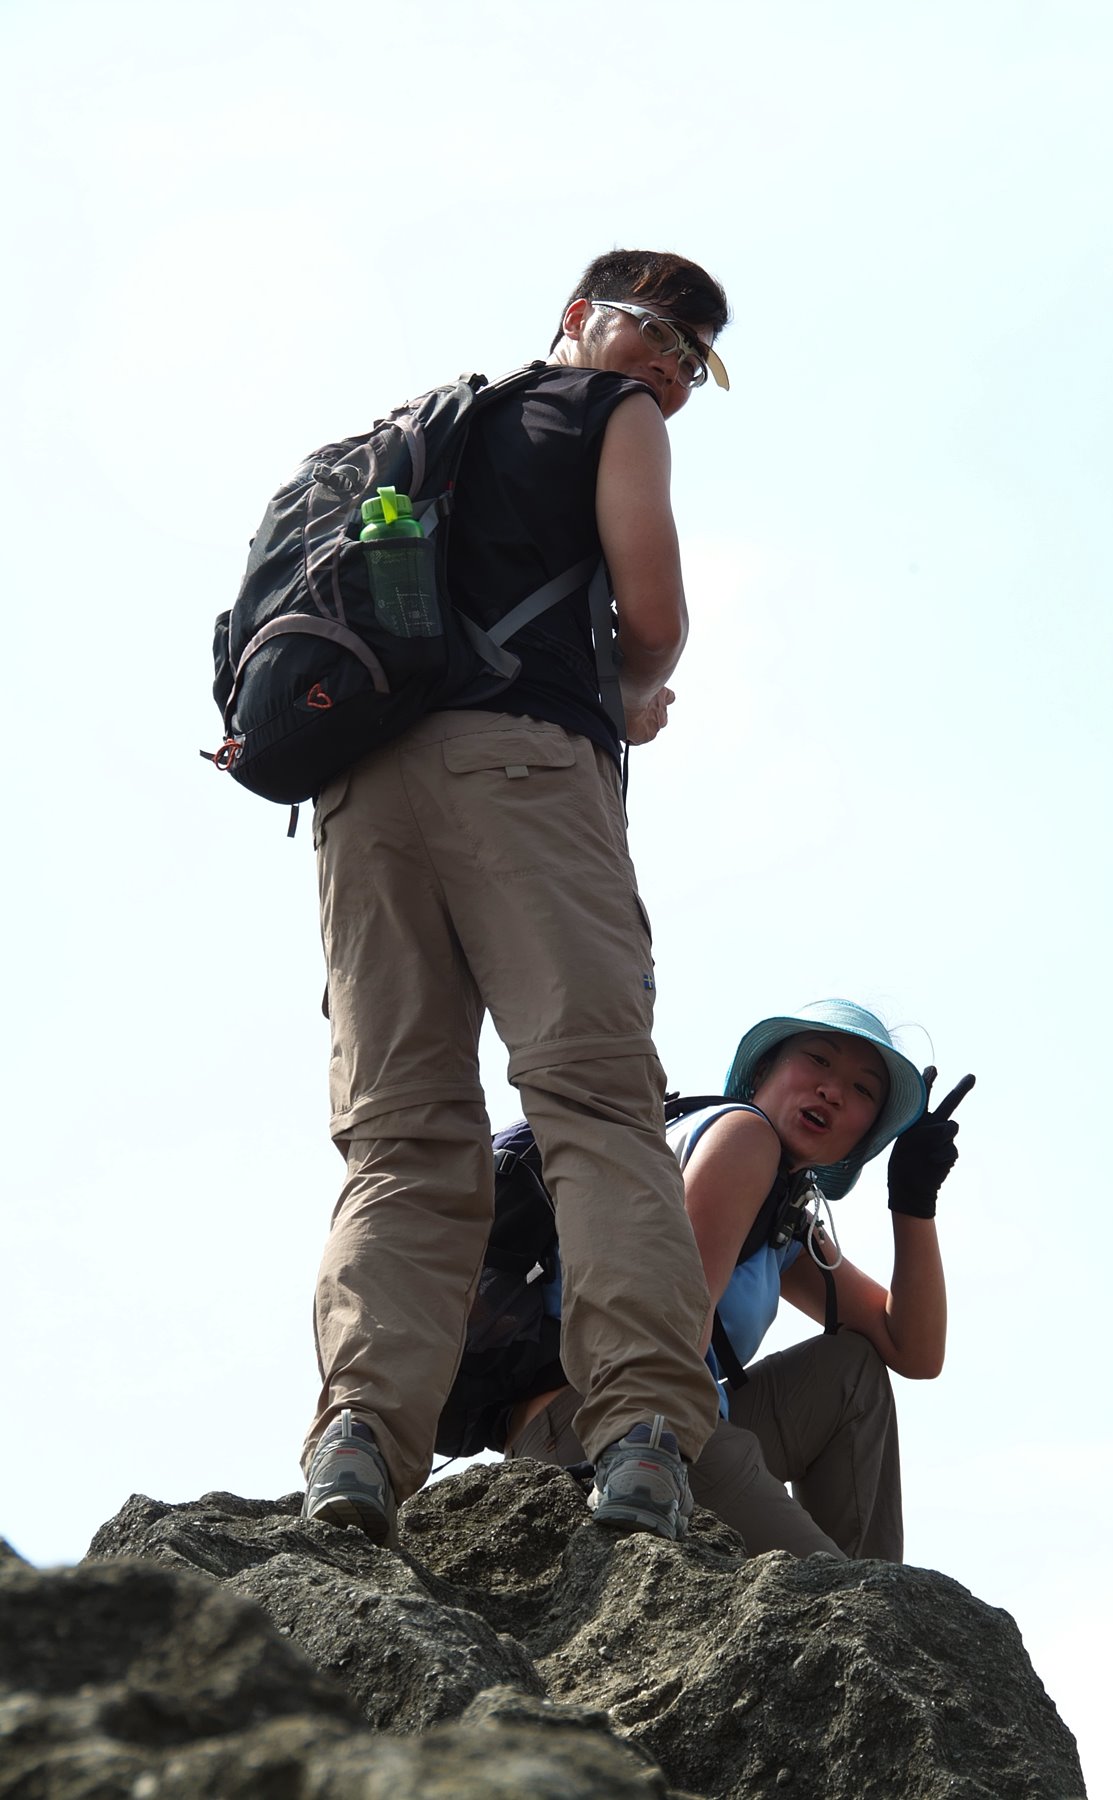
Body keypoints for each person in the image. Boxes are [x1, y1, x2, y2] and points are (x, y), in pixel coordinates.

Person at [300, 249, 733, 1547]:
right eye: (655, 332)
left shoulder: (419, 434)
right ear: (579, 318)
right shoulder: (611, 412)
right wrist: (635, 692)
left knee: (401, 1134)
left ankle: (359, 1443)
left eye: (691, 360)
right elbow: (654, 613)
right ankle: (642, 1435)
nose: (667, 367)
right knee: (595, 1104)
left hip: (360, 792)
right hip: (523, 773)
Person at [507, 999, 974, 1561]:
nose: (833, 1091)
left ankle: (871, 1580)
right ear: (762, 1072)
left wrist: (914, 1200)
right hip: (605, 1419)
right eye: (818, 1061)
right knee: (826, 1596)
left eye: (863, 1090)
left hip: (664, 1417)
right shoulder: (743, 1137)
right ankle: (861, 1593)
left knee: (851, 1370)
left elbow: (913, 1350)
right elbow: (671, 1329)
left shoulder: (783, 1213)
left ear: (864, 1135)